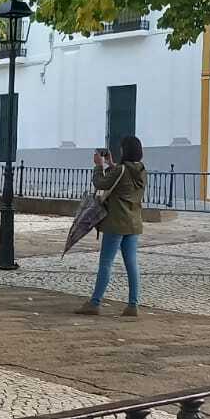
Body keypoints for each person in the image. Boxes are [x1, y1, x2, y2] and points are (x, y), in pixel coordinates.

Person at [78, 136, 148, 317]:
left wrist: (99, 165)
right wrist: (111, 164)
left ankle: (95, 302)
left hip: (116, 223)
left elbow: (100, 183)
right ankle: (133, 304)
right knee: (131, 264)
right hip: (133, 223)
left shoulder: (121, 170)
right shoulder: (141, 170)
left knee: (106, 263)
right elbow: (123, 178)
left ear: (125, 150)